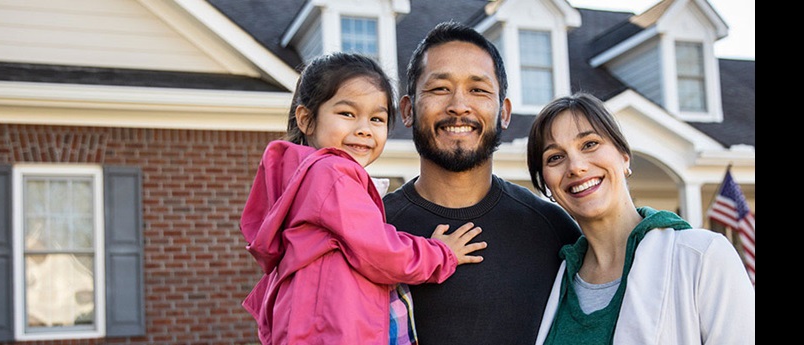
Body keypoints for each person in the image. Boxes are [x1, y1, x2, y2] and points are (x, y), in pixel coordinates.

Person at [239, 51, 489, 345]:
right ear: (306, 120)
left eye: (377, 118)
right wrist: (440, 253)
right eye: (347, 113)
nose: (363, 129)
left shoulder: (300, 177)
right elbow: (380, 252)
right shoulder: (331, 173)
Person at [382, 21, 582, 344]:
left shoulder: (555, 232)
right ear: (407, 110)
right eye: (439, 89)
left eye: (478, 90)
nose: (459, 106)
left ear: (503, 112)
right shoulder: (374, 229)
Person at [526, 92, 756, 344]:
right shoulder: (552, 280)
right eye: (555, 157)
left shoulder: (702, 256)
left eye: (589, 144)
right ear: (546, 183)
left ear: (624, 157)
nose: (576, 166)